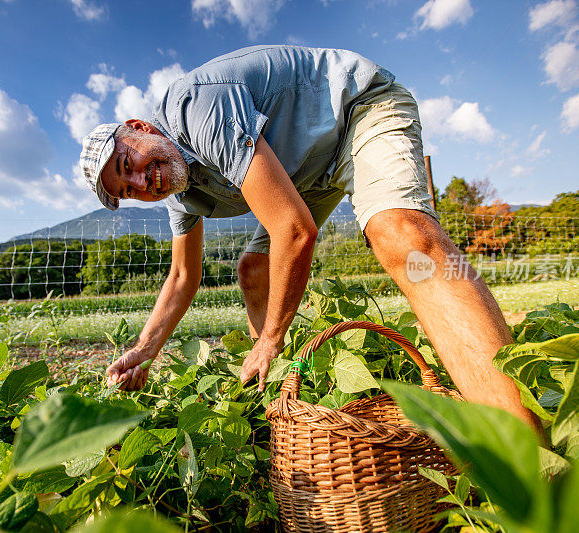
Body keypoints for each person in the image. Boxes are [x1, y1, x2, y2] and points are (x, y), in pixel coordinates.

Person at [80, 45, 543, 434]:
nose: (142, 183)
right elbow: (183, 275)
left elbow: (294, 230)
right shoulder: (179, 188)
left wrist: (270, 338)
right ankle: (283, 392)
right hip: (308, 172)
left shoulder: (194, 107)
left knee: (403, 236)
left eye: (128, 166)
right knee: (253, 268)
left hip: (356, 110)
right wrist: (145, 349)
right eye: (129, 191)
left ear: (139, 128)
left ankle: (521, 449)